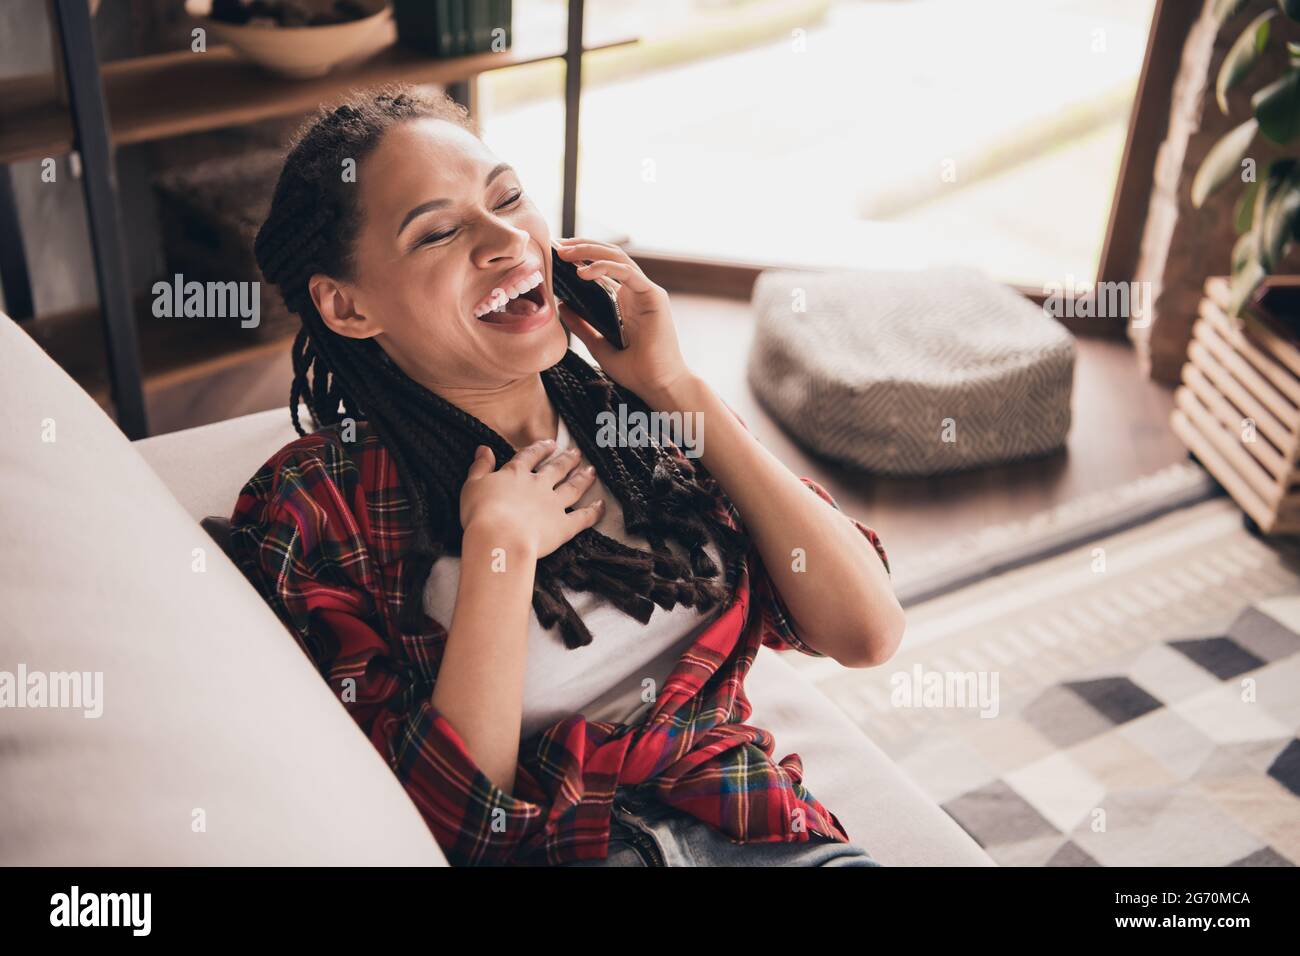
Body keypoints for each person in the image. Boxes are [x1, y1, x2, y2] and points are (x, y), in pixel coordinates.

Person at [229, 83, 904, 867]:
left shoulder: (634, 417)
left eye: (509, 197)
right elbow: (456, 829)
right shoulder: (319, 506)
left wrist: (677, 389)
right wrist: (501, 551)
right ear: (346, 308)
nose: (506, 240)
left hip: (758, 832)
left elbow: (867, 630)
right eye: (439, 232)